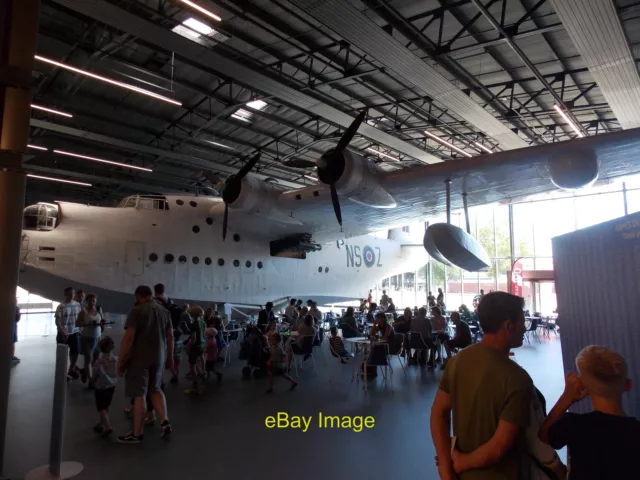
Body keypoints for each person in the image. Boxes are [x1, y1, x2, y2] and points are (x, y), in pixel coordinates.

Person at [430, 291, 531, 479]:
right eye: (522, 323)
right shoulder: (518, 379)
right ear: (509, 326)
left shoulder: (456, 362)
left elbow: (438, 412)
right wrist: (462, 462)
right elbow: (499, 447)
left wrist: (446, 466)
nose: (525, 329)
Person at [538, 345, 640, 479]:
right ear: (628, 385)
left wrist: (566, 398)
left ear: (583, 385)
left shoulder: (573, 425)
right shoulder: (636, 432)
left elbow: (543, 435)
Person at [117, 285, 173, 444]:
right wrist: (169, 359)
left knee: (139, 394)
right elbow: (170, 337)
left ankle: (137, 433)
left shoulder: (137, 310)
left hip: (139, 358)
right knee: (156, 389)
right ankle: (165, 421)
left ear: (138, 297)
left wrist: (121, 360)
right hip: (159, 357)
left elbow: (129, 337)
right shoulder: (164, 311)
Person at [76, 293, 105, 385]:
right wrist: (86, 324)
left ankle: (87, 372)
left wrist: (102, 323)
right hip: (87, 338)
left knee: (96, 358)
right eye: (90, 300)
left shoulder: (99, 309)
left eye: (94, 300)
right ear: (87, 301)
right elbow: (77, 323)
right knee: (88, 358)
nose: (92, 302)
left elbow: (102, 320)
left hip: (97, 337)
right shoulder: (83, 312)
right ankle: (90, 379)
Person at [91, 336, 117, 437]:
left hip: (100, 387)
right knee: (106, 406)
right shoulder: (115, 359)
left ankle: (107, 427)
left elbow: (95, 374)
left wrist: (92, 381)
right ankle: (100, 424)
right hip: (111, 386)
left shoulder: (99, 361)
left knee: (101, 407)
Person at [55, 287, 82, 380]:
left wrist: (79, 330)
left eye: (73, 293)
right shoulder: (61, 306)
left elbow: (79, 318)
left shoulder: (77, 305)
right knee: (62, 354)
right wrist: (61, 331)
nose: (72, 295)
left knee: (76, 352)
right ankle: (62, 372)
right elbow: (57, 320)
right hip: (64, 334)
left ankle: (71, 369)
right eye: (69, 293)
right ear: (65, 294)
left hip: (75, 332)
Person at [184, 306, 207, 395]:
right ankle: (203, 374)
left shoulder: (194, 324)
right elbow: (203, 334)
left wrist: (187, 346)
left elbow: (193, 338)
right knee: (202, 360)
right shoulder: (202, 322)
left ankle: (195, 386)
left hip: (195, 346)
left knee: (192, 366)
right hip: (202, 344)